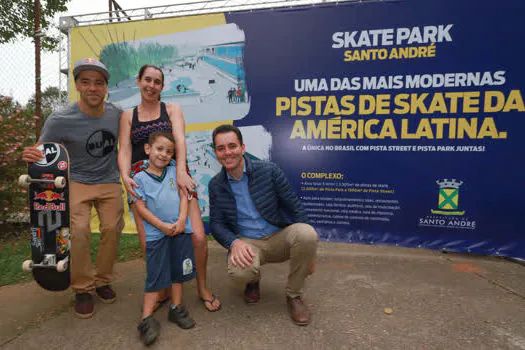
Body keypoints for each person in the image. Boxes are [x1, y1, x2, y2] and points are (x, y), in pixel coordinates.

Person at [22, 58, 124, 319]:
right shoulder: (61, 118)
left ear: (105, 88)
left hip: (109, 179)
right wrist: (31, 155)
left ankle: (102, 280)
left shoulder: (117, 114)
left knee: (112, 228)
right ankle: (82, 287)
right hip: (76, 180)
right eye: (86, 82)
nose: (92, 88)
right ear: (77, 85)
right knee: (77, 231)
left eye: (98, 83)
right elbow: (42, 151)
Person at [118, 64, 221, 312]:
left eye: (157, 82)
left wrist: (182, 172)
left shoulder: (173, 109)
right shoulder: (128, 116)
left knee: (197, 237)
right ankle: (163, 288)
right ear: (139, 81)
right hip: (143, 185)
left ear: (162, 87)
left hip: (177, 177)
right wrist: (124, 176)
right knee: (150, 243)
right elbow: (124, 149)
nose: (151, 85)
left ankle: (201, 287)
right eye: (147, 80)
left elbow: (180, 140)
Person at [208, 124, 318, 326]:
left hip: (278, 237)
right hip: (248, 243)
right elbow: (216, 223)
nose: (227, 152)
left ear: (242, 147)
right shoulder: (215, 184)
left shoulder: (269, 171)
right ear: (215, 153)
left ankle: (293, 295)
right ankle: (252, 280)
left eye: (232, 146)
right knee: (239, 272)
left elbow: (294, 207)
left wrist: (310, 254)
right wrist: (234, 243)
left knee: (307, 235)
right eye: (221, 148)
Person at [134, 131, 196, 346]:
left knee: (178, 274)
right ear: (148, 149)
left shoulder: (175, 173)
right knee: (155, 276)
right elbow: (141, 209)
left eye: (169, 151)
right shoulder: (138, 179)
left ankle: (176, 309)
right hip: (156, 236)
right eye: (159, 149)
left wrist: (181, 221)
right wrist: (161, 226)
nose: (164, 154)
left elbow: (184, 197)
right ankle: (146, 318)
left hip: (179, 231)